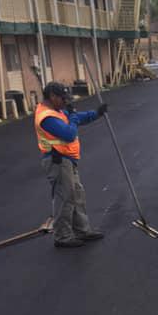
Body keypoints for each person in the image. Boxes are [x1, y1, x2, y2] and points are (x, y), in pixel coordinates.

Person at [35, 82, 107, 248]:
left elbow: (76, 118)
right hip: (57, 161)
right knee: (65, 198)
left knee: (77, 195)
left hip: (67, 160)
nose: (65, 102)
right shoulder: (47, 117)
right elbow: (69, 134)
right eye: (63, 99)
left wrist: (96, 113)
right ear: (53, 97)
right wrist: (73, 116)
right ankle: (62, 236)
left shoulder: (57, 111)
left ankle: (82, 230)